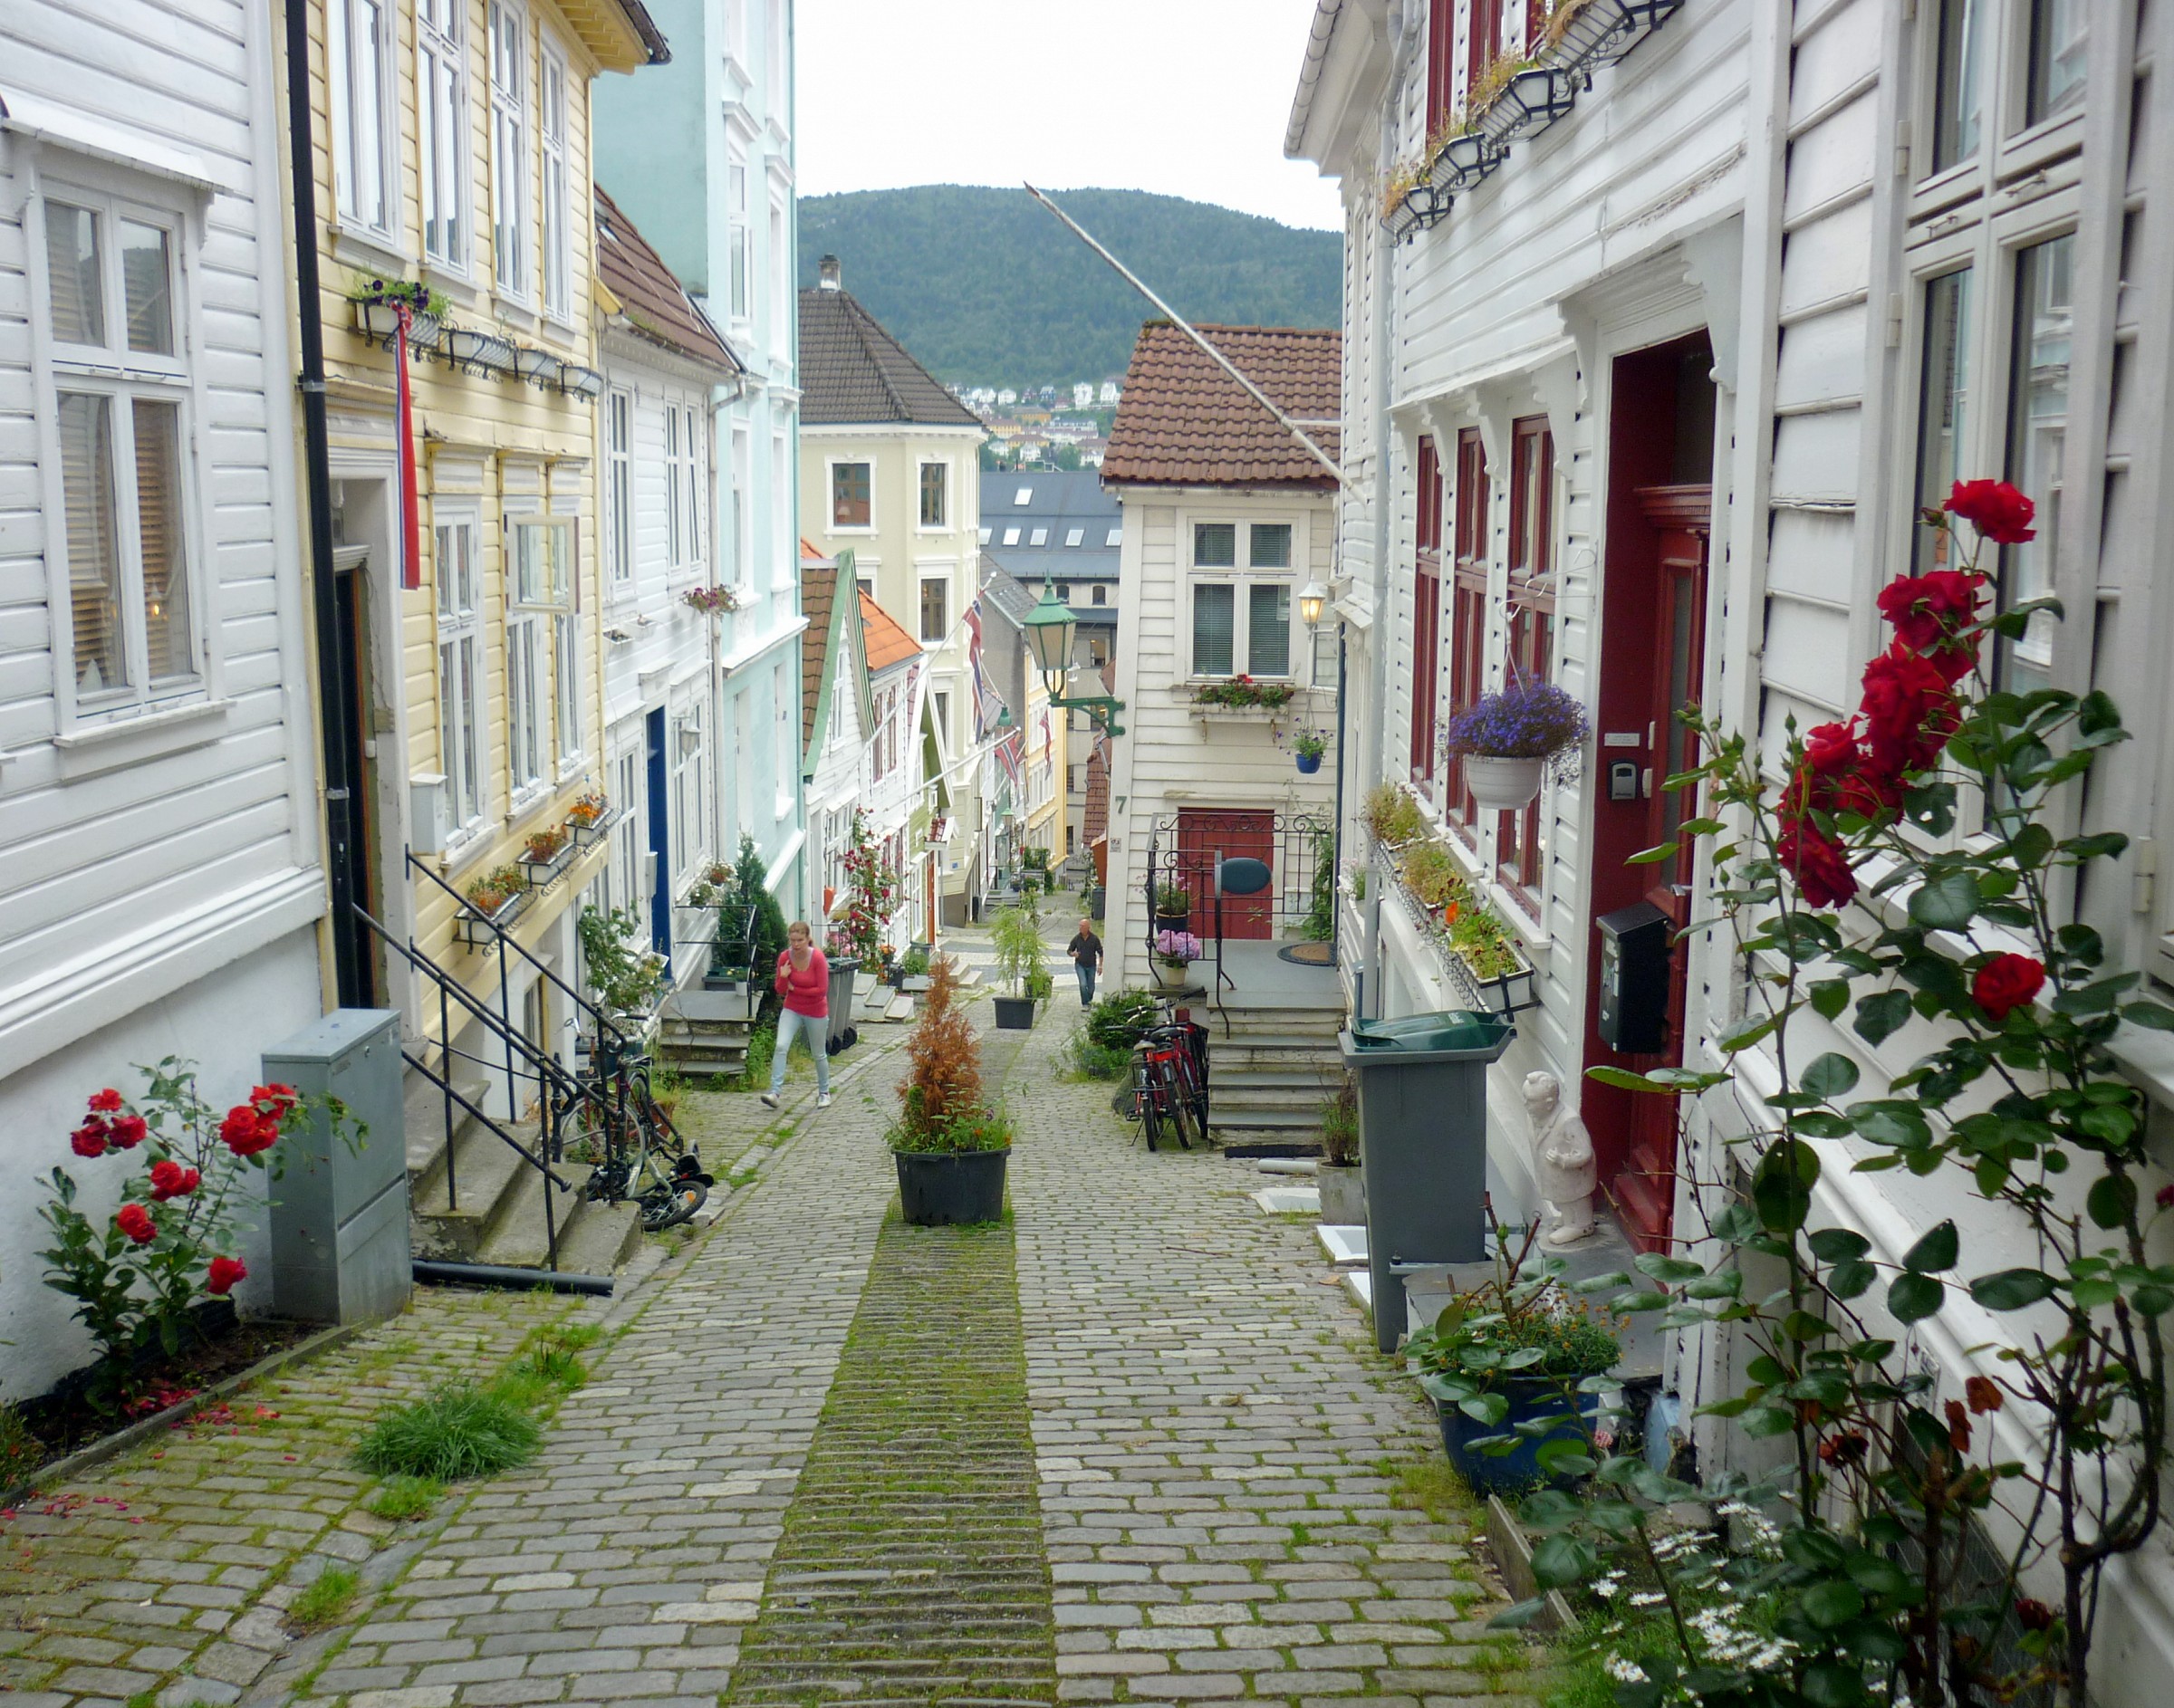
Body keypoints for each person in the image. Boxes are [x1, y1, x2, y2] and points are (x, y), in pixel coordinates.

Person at [763, 921, 832, 1110]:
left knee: (818, 1053)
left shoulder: (817, 958)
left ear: (807, 938)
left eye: (800, 940)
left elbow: (821, 990)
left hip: (816, 1011)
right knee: (781, 1045)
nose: (796, 944)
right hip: (792, 1009)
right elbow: (780, 990)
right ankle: (775, 1092)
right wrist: (784, 977)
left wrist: (796, 989)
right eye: (793, 940)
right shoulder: (785, 957)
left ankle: (824, 1093)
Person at [1067, 917, 1104, 1008]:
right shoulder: (1077, 938)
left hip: (1091, 965)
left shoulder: (1094, 939)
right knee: (1083, 984)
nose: (1080, 928)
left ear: (1088, 927)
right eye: (1080, 926)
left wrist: (1100, 965)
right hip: (1080, 965)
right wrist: (1073, 954)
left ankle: (1089, 1001)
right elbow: (1069, 950)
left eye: (1083, 926)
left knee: (1091, 987)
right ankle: (1085, 1003)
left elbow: (1100, 952)